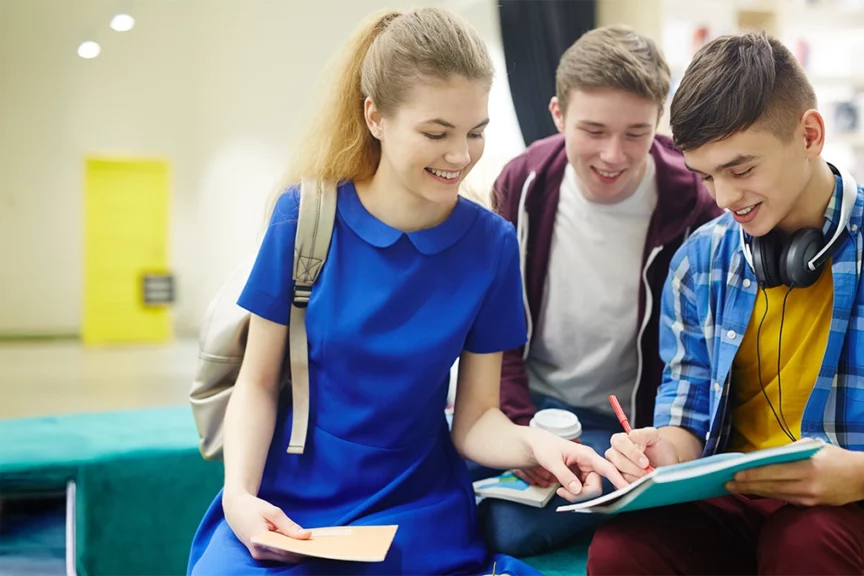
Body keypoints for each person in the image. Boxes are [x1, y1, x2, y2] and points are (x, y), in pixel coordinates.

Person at [184, 8, 627, 576]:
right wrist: (240, 497)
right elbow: (258, 382)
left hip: (414, 501)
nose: (460, 156)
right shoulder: (304, 217)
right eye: (436, 133)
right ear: (376, 117)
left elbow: (476, 419)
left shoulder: (491, 245)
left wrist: (535, 444)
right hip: (288, 493)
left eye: (475, 132)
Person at [589, 31, 864, 575]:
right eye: (707, 177)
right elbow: (687, 423)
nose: (724, 198)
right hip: (740, 500)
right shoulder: (699, 261)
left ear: (810, 135)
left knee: (806, 541)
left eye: (741, 170)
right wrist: (661, 454)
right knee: (620, 547)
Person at [472, 25, 721, 557]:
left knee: (510, 529)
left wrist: (651, 446)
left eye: (636, 133)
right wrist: (520, 430)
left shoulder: (694, 204)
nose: (613, 155)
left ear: (659, 121)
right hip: (528, 408)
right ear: (558, 114)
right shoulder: (523, 184)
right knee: (429, 468)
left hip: (621, 423)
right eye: (594, 130)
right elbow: (495, 329)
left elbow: (698, 360)